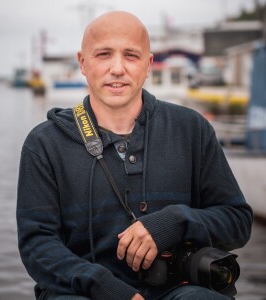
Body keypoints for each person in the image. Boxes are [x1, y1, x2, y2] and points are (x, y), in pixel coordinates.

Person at [17, 11, 253, 300]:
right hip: (83, 293)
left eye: (131, 55)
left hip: (178, 290)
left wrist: (174, 223)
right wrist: (107, 288)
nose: (117, 68)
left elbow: (238, 222)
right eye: (104, 54)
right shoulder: (43, 144)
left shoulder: (192, 128)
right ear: (82, 63)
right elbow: (36, 244)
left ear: (148, 64)